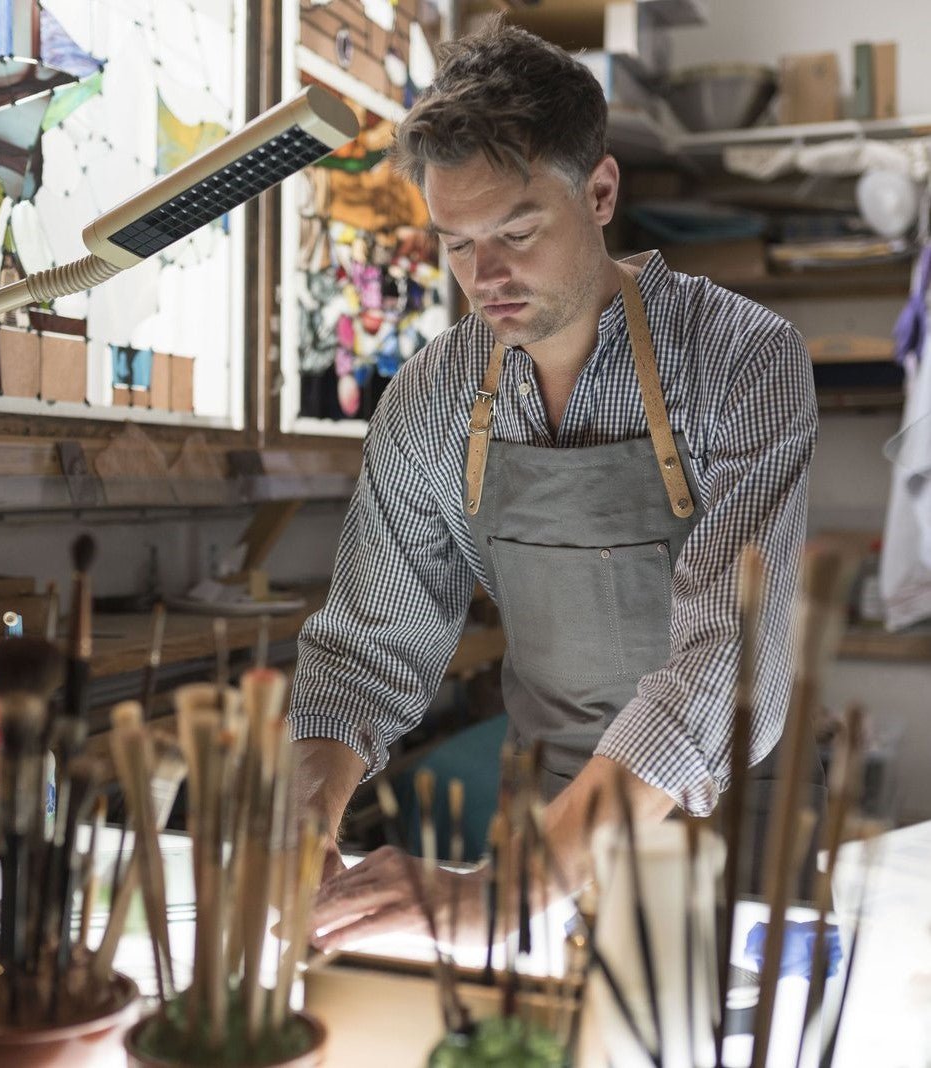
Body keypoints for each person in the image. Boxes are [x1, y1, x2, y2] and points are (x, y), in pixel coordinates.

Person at [287, 16, 819, 950]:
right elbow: (369, 649)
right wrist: (302, 817)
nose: (485, 277)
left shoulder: (743, 359)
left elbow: (727, 665)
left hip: (731, 824)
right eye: (457, 244)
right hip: (546, 819)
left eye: (517, 231)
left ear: (600, 191)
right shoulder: (431, 399)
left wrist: (518, 886)